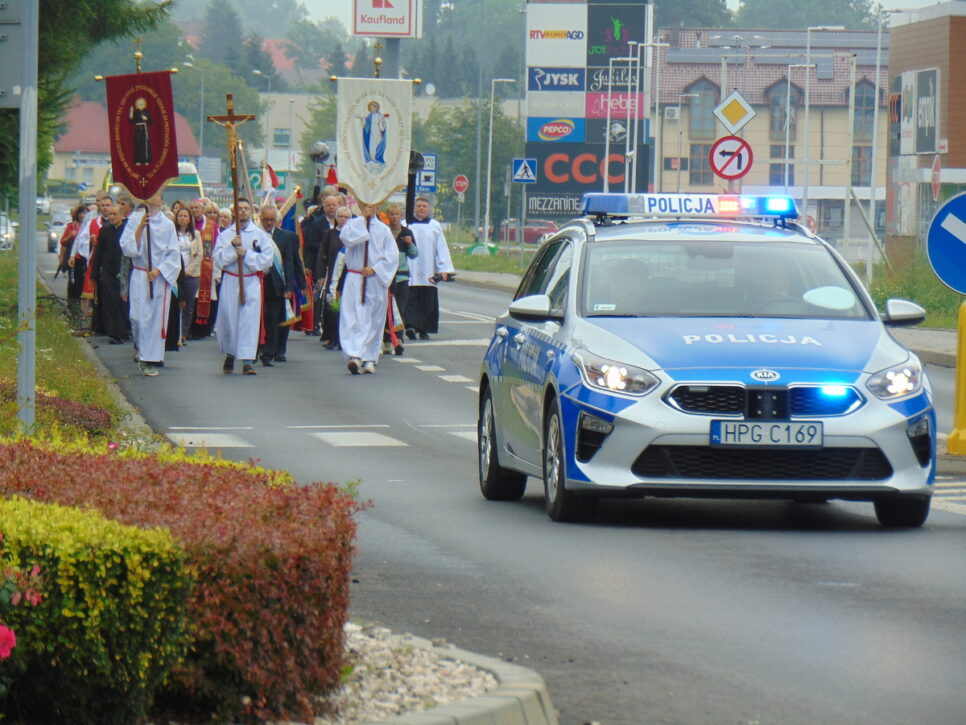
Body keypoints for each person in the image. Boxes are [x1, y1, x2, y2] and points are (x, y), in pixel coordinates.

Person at [119, 191, 181, 376]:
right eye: (153, 193)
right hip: (139, 275)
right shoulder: (135, 219)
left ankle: (149, 359)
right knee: (137, 318)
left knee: (153, 320)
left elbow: (173, 254)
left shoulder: (168, 224)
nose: (156, 197)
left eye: (159, 194)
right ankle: (139, 345)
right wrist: (139, 229)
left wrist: (159, 270)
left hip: (158, 277)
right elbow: (128, 248)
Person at [213, 199, 274, 375]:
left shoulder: (259, 234)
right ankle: (231, 354)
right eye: (240, 209)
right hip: (232, 281)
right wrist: (232, 249)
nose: (244, 212)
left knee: (249, 320)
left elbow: (267, 260)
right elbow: (218, 260)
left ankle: (247, 360)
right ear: (234, 212)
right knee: (231, 318)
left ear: (251, 211)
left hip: (250, 281)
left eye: (247, 208)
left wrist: (246, 255)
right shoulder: (225, 235)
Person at [338, 203, 398, 375]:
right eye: (366, 207)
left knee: (373, 319)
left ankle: (369, 357)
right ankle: (354, 355)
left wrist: (375, 269)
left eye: (373, 207)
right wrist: (362, 221)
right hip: (355, 277)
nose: (370, 210)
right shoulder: (353, 224)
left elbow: (391, 257)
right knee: (353, 317)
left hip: (374, 279)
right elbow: (347, 239)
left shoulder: (383, 230)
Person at [258, 203, 304, 366]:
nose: (269, 223)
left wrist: (290, 287)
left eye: (272, 220)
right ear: (260, 219)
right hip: (258, 283)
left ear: (277, 220)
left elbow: (290, 263)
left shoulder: (285, 237)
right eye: (266, 220)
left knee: (274, 320)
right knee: (259, 319)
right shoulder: (255, 235)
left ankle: (269, 353)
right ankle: (257, 349)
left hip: (277, 285)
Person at [405, 197, 454, 340]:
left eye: (424, 206)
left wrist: (443, 269)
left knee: (427, 301)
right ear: (414, 208)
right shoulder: (406, 224)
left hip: (428, 268)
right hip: (410, 268)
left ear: (429, 209)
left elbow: (441, 248)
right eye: (419, 206)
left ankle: (424, 329)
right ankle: (411, 326)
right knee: (410, 300)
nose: (421, 208)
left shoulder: (435, 226)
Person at [69, 192, 112, 331]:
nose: (105, 208)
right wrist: (89, 242)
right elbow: (81, 239)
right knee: (90, 293)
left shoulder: (118, 221)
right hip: (95, 261)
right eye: (102, 205)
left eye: (108, 205)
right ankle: (88, 322)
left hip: (111, 264)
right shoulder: (92, 222)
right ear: (99, 206)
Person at [89, 203, 131, 344]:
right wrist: (94, 274)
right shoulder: (105, 230)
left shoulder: (128, 229)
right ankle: (114, 333)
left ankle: (124, 331)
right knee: (110, 302)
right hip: (107, 271)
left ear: (122, 215)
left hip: (123, 270)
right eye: (110, 214)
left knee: (122, 302)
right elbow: (98, 253)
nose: (111, 217)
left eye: (114, 214)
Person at [384, 202, 417, 356]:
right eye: (391, 214)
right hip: (386, 277)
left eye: (397, 214)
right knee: (386, 309)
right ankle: (387, 339)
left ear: (401, 216)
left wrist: (410, 244)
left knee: (400, 308)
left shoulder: (406, 233)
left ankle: (399, 338)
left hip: (402, 276)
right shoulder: (384, 232)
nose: (394, 217)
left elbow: (414, 254)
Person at [317, 205, 351, 350]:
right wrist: (320, 275)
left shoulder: (353, 235)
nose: (343, 220)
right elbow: (321, 255)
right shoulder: (329, 234)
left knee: (347, 308)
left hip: (349, 275)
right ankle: (331, 337)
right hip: (333, 274)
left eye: (346, 217)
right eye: (340, 216)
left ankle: (345, 339)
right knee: (333, 307)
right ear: (336, 218)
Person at [306, 193, 341, 335]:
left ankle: (333, 325)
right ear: (324, 207)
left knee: (335, 296)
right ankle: (316, 323)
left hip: (339, 266)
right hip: (323, 264)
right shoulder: (318, 223)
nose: (332, 208)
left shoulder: (344, 222)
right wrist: (326, 244)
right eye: (329, 205)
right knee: (320, 295)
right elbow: (311, 243)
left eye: (334, 205)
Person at [173, 207, 203, 347]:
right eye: (180, 216)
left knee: (188, 305)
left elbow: (199, 255)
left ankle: (184, 333)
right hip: (175, 273)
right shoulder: (172, 233)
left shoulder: (195, 234)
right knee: (176, 304)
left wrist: (189, 269)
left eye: (185, 216)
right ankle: (174, 333)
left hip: (191, 274)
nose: (182, 218)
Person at [193, 202, 221, 338]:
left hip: (207, 266)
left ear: (202, 210)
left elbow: (215, 246)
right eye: (191, 208)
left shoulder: (211, 226)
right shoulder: (188, 222)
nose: (194, 210)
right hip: (192, 265)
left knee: (207, 297)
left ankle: (204, 328)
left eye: (196, 208)